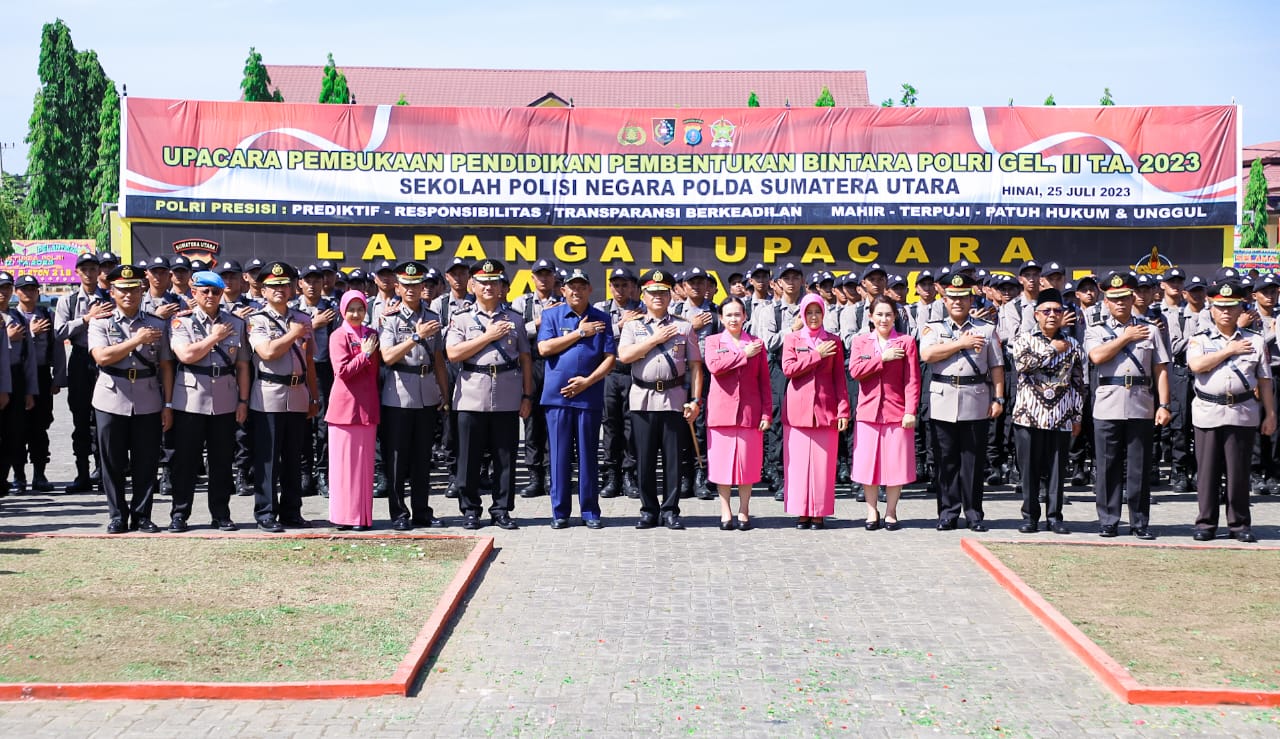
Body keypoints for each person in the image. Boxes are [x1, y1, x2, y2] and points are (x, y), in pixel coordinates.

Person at [444, 259, 533, 531]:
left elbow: (525, 359)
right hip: (471, 395)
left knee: (505, 459)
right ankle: (470, 510)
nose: (489, 287)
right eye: (483, 282)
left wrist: (527, 396)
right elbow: (453, 353)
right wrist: (488, 336)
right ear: (472, 285)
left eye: (494, 282)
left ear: (502, 286)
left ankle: (502, 509)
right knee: (469, 459)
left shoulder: (515, 319)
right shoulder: (461, 318)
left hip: (506, 395)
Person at [1084, 271, 1172, 539]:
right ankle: (1108, 520)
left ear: (1132, 298)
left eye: (1124, 297)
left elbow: (1161, 369)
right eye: (1114, 299)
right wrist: (1125, 337)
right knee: (1107, 465)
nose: (1120, 303)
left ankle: (1139, 521)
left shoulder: (1150, 329)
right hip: (1108, 402)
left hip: (1140, 402)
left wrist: (1164, 404)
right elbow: (1097, 357)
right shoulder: (1096, 329)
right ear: (1106, 302)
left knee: (1139, 466)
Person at [1187, 279, 1275, 543]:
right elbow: (1197, 366)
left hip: (1242, 411)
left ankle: (1239, 524)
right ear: (1211, 309)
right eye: (1221, 307)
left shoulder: (1255, 340)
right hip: (1208, 410)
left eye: (1232, 306)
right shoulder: (1200, 339)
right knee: (1207, 472)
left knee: (1238, 472)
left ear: (1241, 309)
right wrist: (1229, 351)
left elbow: (1265, 380)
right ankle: (1206, 523)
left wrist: (1270, 414)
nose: (1226, 311)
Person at [89, 264, 175, 534]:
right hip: (111, 397)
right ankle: (117, 515)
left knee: (146, 462)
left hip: (148, 398)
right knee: (112, 462)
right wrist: (136, 340)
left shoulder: (157, 323)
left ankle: (142, 515)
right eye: (122, 290)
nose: (128, 295)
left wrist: (168, 404)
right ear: (112, 292)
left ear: (141, 291)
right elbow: (102, 357)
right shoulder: (101, 322)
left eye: (134, 289)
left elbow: (166, 366)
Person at [617, 269, 702, 530]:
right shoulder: (633, 325)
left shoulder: (684, 326)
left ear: (670, 295)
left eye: (663, 292)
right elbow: (625, 356)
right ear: (643, 295)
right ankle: (648, 510)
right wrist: (655, 339)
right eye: (652, 292)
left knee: (673, 459)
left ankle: (671, 510)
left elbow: (696, 367)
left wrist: (695, 400)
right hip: (642, 399)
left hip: (674, 399)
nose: (658, 297)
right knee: (644, 459)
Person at [920, 272, 1005, 532]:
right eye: (953, 298)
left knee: (973, 462)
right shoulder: (934, 328)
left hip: (976, 398)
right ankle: (947, 513)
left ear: (971, 300)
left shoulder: (986, 329)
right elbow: (927, 354)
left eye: (963, 298)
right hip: (943, 399)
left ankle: (973, 513)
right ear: (945, 300)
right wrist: (961, 344)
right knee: (945, 461)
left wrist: (998, 397)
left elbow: (997, 366)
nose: (958, 302)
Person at [167, 270, 250, 532]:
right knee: (186, 461)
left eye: (216, 291)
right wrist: (215, 336)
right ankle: (179, 514)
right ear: (194, 292)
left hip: (225, 398)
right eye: (205, 291)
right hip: (190, 399)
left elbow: (243, 365)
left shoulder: (236, 323)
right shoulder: (182, 322)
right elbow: (186, 355)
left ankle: (221, 514)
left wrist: (243, 400)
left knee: (222, 461)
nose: (211, 296)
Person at [537, 267, 616, 529]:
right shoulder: (551, 315)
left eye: (582, 287)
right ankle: (560, 512)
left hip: (588, 396)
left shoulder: (602, 318)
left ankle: (590, 511)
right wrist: (580, 333)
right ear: (563, 290)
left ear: (590, 290)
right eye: (572, 287)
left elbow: (610, 358)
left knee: (588, 456)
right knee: (559, 457)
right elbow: (544, 348)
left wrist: (587, 382)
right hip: (557, 398)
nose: (577, 291)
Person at [246, 261, 321, 532]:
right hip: (268, 394)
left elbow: (309, 360)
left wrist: (313, 396)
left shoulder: (302, 318)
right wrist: (292, 334)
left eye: (284, 285)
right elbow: (267, 352)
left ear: (291, 289)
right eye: (273, 286)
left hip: (298, 393)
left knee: (293, 457)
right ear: (263, 290)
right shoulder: (257, 319)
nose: (280, 289)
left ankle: (292, 511)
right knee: (268, 459)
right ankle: (266, 512)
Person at [1009, 288, 1086, 534]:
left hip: (1060, 416)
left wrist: (1077, 416)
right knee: (1029, 470)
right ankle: (1030, 516)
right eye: (1046, 311)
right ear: (1036, 314)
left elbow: (1078, 383)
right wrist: (1052, 350)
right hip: (1028, 417)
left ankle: (1054, 517)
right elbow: (1022, 365)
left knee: (1056, 471)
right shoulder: (1023, 339)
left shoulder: (1073, 344)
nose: (1052, 315)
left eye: (1057, 311)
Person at [379, 260, 450, 529]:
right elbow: (387, 356)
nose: (411, 289)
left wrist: (445, 393)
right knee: (398, 458)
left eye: (416, 284)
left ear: (423, 287)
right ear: (397, 288)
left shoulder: (432, 316)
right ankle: (399, 513)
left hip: (427, 390)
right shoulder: (390, 318)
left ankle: (422, 511)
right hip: (398, 392)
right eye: (405, 285)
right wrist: (416, 337)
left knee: (422, 457)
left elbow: (439, 359)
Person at [848, 295, 920, 530]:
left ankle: (891, 511)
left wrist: (910, 410)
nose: (884, 319)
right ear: (870, 317)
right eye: (879, 314)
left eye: (888, 314)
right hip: (868, 411)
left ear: (895, 316)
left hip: (896, 411)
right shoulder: (861, 342)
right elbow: (855, 371)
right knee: (868, 464)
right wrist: (881, 358)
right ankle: (871, 511)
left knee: (895, 464)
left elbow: (912, 380)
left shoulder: (906, 342)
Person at [781, 293, 851, 529]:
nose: (813, 317)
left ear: (824, 314)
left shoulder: (834, 341)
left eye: (817, 312)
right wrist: (816, 355)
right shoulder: (792, 339)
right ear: (802, 314)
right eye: (809, 312)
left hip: (825, 408)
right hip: (797, 410)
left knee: (823, 465)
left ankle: (819, 512)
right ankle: (802, 511)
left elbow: (839, 378)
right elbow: (789, 369)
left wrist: (843, 410)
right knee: (799, 465)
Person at [704, 297, 771, 531]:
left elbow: (764, 382)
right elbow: (715, 367)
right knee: (721, 465)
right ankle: (725, 510)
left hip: (749, 413)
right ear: (721, 318)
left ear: (745, 316)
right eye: (729, 315)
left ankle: (744, 509)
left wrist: (766, 413)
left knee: (747, 465)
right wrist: (743, 354)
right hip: (721, 413)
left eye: (737, 314)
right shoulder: (713, 341)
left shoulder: (757, 344)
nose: (733, 319)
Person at [55, 252, 111, 492]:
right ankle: (82, 474)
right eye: (84, 269)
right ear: (77, 272)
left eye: (93, 269)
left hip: (104, 359)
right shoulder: (67, 301)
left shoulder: (109, 297)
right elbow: (59, 332)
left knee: (104, 420)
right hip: (80, 359)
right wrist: (86, 319)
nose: (89, 273)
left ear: (99, 272)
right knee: (80, 418)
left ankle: (104, 474)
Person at [326, 290, 381, 531]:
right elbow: (342, 371)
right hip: (344, 408)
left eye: (360, 309)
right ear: (343, 311)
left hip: (367, 406)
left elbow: (374, 372)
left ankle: (362, 517)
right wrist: (365, 353)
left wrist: (367, 352)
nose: (356, 314)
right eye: (351, 310)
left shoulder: (372, 334)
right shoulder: (338, 336)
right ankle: (342, 517)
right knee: (343, 466)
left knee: (364, 465)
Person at [510, 258, 562, 499]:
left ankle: (552, 474)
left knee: (554, 420)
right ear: (532, 278)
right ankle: (534, 475)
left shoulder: (563, 301)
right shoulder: (522, 302)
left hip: (556, 365)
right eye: (539, 275)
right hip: (529, 364)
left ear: (554, 277)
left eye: (547, 274)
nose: (543, 279)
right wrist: (541, 322)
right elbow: (514, 331)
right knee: (531, 422)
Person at [14, 275, 64, 493]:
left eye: (32, 288)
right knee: (16, 428)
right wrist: (30, 333)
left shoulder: (47, 316)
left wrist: (58, 378)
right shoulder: (11, 317)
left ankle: (39, 475)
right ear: (16, 292)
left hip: (42, 375)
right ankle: (18, 476)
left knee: (40, 427)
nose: (29, 292)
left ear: (38, 291)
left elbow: (58, 349)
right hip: (17, 377)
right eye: (24, 289)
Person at [596, 267, 643, 499]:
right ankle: (611, 473)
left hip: (633, 373)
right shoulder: (600, 309)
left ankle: (628, 473)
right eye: (616, 285)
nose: (620, 289)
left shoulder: (642, 309)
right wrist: (620, 326)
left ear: (633, 287)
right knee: (610, 424)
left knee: (631, 425)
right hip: (609, 372)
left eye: (625, 285)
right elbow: (594, 337)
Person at [0, 272, 36, 493]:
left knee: (14, 432)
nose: (2, 292)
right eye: (0, 288)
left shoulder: (18, 318)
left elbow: (29, 357)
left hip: (15, 376)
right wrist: (7, 338)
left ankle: (7, 477)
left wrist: (30, 390)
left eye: (6, 288)